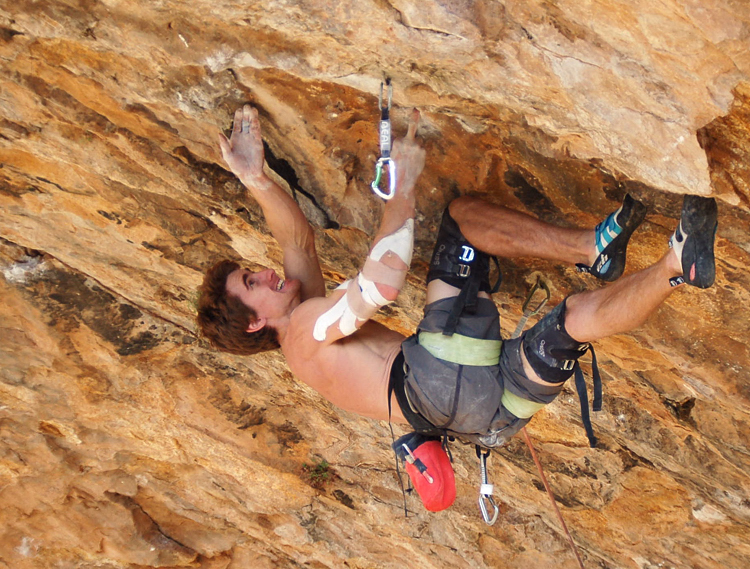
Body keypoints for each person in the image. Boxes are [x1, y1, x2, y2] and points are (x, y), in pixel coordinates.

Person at [198, 104, 717, 505]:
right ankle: (592, 248)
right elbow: (377, 288)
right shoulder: (306, 326)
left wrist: (256, 179)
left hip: (491, 417)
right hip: (437, 374)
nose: (265, 272)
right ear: (254, 323)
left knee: (574, 322)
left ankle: (676, 261)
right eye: (251, 281)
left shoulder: (299, 328)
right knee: (461, 221)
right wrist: (400, 191)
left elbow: (297, 244)